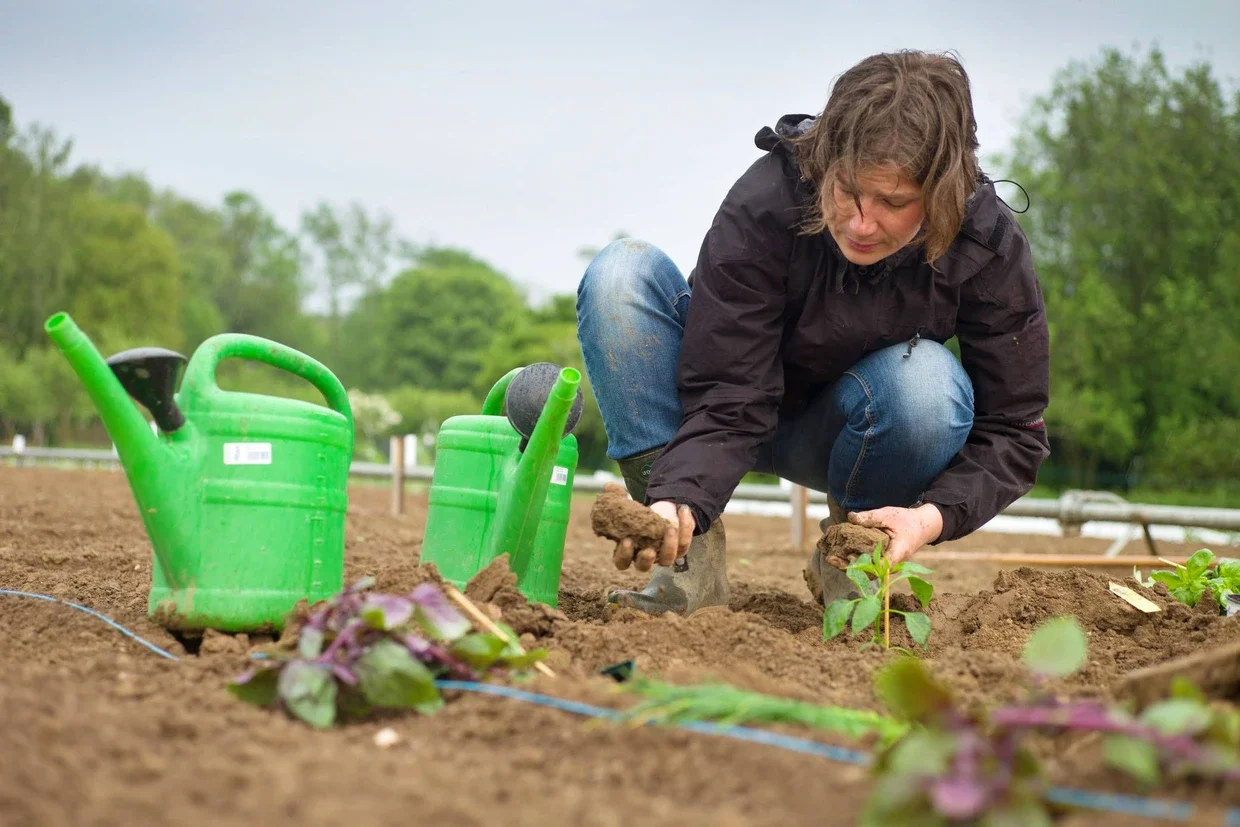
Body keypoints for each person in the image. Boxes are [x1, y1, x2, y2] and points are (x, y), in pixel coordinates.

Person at [575, 50, 1050, 617]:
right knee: (620, 275)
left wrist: (928, 518)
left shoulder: (985, 243)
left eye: (893, 201)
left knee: (928, 384)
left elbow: (1013, 429)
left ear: (942, 193)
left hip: (848, 432)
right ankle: (684, 555)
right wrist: (680, 494)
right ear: (825, 163)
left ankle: (853, 563)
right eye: (847, 190)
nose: (861, 223)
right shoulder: (767, 198)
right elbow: (728, 390)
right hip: (715, 414)